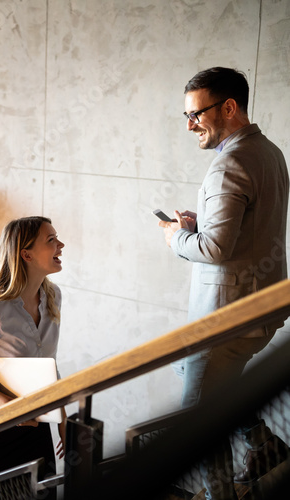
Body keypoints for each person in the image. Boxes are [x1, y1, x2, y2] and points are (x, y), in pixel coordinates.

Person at [158, 67, 289, 499]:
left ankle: (222, 495)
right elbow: (248, 231)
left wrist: (176, 237)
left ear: (228, 107)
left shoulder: (227, 165)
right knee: (212, 385)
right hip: (262, 307)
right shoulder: (269, 152)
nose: (190, 125)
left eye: (195, 114)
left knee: (201, 422)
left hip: (225, 320)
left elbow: (214, 250)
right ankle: (263, 445)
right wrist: (203, 226)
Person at [0, 216, 66, 494]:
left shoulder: (53, 296)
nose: (61, 245)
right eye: (51, 240)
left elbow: (48, 365)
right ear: (26, 254)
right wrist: (8, 406)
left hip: (39, 426)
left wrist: (62, 417)